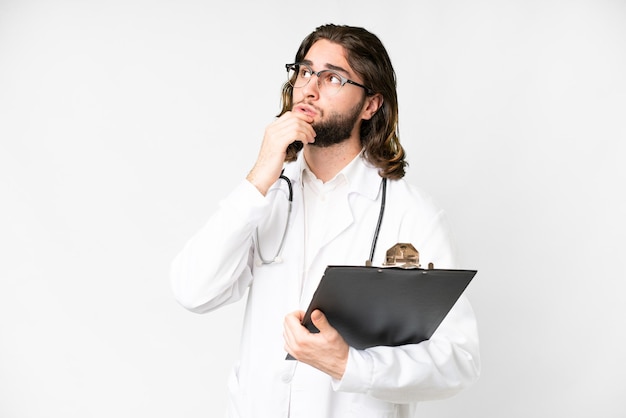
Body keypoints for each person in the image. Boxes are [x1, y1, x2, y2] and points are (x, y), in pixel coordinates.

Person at [171, 24, 480, 418]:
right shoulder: (265, 196)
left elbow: (458, 359)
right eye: (304, 71)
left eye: (333, 77)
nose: (310, 89)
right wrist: (260, 175)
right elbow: (193, 289)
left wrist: (350, 365)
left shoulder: (412, 212)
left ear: (370, 105)